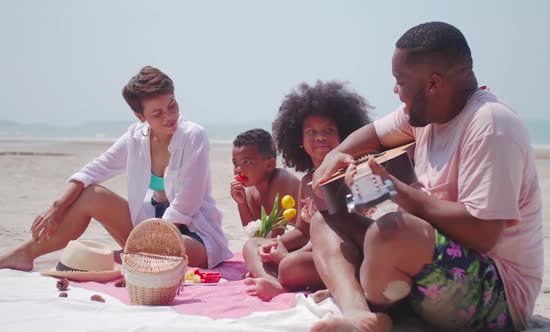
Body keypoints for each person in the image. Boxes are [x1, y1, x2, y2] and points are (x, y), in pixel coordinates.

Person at [310, 22, 543, 332]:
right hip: (432, 262)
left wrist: (395, 190)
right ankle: (359, 314)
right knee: (325, 218)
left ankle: (368, 298)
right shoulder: (423, 115)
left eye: (400, 81)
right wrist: (336, 155)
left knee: (391, 231)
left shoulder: (491, 125)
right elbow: (375, 133)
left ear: (433, 84)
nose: (395, 90)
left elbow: (484, 233)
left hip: (495, 295)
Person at [0, 66, 232, 270]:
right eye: (157, 113)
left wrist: (143, 241)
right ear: (140, 116)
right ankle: (24, 254)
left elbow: (186, 205)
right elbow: (93, 171)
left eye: (172, 105)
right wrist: (58, 207)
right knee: (92, 195)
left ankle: (129, 257)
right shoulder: (135, 137)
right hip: (146, 230)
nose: (169, 116)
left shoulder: (193, 136)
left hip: (192, 236)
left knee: (160, 250)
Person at [243, 80, 372, 301]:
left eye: (329, 130)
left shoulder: (354, 174)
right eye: (311, 131)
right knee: (253, 244)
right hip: (311, 253)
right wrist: (279, 243)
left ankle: (282, 284)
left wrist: (287, 256)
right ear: (299, 140)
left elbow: (347, 234)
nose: (320, 137)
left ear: (344, 135)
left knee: (290, 265)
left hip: (344, 255)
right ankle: (274, 282)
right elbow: (303, 232)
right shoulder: (307, 181)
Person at [230, 128, 300, 232]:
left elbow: (277, 233)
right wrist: (242, 204)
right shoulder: (252, 193)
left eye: (247, 162)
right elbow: (254, 232)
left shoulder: (281, 180)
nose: (238, 170)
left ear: (269, 164)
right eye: (235, 163)